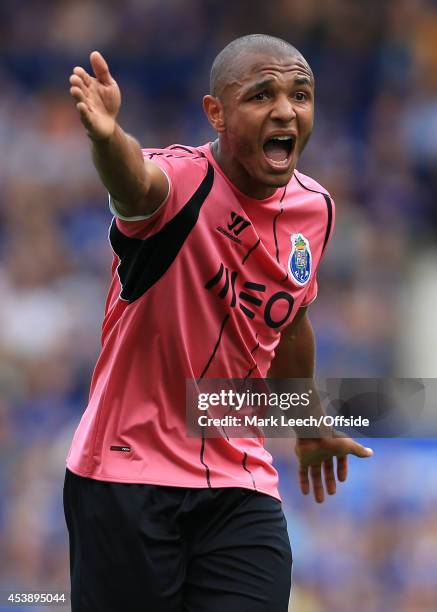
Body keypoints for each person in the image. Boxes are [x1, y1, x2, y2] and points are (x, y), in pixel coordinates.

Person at [64, 34, 373, 612]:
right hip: (126, 475)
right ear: (217, 114)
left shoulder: (316, 210)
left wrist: (305, 423)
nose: (286, 110)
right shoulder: (181, 181)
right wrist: (108, 142)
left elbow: (290, 324)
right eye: (262, 95)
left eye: (300, 95)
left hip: (239, 480)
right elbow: (135, 184)